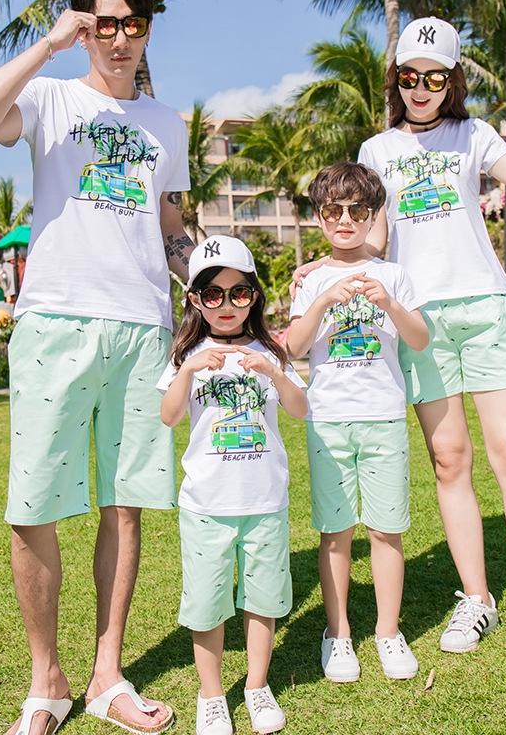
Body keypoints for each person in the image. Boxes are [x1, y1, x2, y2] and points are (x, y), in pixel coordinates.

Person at [0, 0, 194, 735]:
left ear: (147, 30)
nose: (118, 39)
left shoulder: (166, 123)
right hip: (56, 321)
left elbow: (168, 226)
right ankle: (44, 682)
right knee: (35, 507)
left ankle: (106, 675)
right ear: (86, 28)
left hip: (142, 328)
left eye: (132, 25)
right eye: (103, 25)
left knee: (125, 508)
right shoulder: (52, 98)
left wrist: (213, 281)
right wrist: (49, 45)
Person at [355, 16, 506, 654]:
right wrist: (332, 264)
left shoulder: (474, 135)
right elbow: (375, 240)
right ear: (397, 79)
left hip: (485, 308)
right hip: (419, 320)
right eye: (409, 76)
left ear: (451, 79)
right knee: (449, 460)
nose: (420, 88)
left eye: (434, 76)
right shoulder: (376, 152)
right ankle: (478, 599)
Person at [157, 236, 308, 735]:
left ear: (255, 296)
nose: (226, 305)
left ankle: (257, 687)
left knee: (263, 599)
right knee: (207, 602)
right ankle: (212, 695)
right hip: (206, 503)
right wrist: (188, 371)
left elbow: (300, 409)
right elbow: (169, 415)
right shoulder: (187, 354)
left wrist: (275, 372)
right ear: (196, 300)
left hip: (265, 500)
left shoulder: (270, 350)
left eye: (238, 293)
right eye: (213, 294)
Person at [287, 163, 429, 683]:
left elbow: (418, 339)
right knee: (335, 531)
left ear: (372, 216)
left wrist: (388, 302)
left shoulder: (393, 274)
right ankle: (339, 632)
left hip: (384, 417)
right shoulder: (312, 279)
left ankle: (388, 632)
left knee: (387, 529)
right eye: (332, 211)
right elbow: (294, 348)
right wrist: (323, 298)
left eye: (357, 211)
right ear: (319, 218)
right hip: (328, 421)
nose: (344, 220)